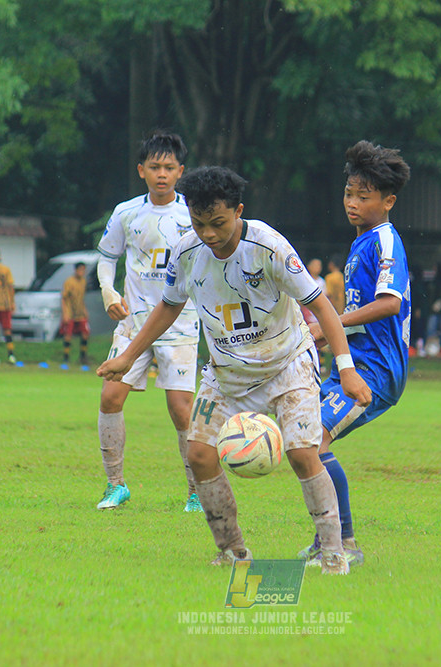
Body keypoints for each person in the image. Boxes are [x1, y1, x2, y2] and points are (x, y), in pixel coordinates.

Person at [97, 165, 371, 574]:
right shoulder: (187, 252)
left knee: (302, 454)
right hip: (226, 374)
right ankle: (233, 551)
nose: (208, 233)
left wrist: (346, 368)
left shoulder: (270, 247)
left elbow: (321, 306)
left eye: (218, 223)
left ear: (238, 210)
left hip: (287, 364)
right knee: (200, 455)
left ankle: (333, 553)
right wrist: (128, 356)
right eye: (199, 222)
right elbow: (168, 307)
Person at [297, 140, 411, 568]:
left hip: (376, 368)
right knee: (308, 441)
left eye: (364, 196)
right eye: (349, 193)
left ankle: (343, 543)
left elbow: (390, 302)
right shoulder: (362, 242)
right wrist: (325, 336)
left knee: (314, 440)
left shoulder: (385, 242)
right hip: (357, 359)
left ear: (388, 201)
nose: (353, 203)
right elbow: (360, 313)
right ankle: (328, 537)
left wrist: (331, 324)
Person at [95, 132, 201, 512]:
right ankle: (115, 485)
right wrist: (108, 290)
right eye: (154, 167)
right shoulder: (126, 213)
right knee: (110, 397)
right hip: (134, 321)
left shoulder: (193, 212)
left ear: (180, 172)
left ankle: (196, 491)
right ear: (141, 171)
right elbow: (107, 257)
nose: (162, 174)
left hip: (181, 323)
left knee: (181, 408)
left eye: (169, 167)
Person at [60, 262, 90, 367]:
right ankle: (66, 358)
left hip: (80, 312)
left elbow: (82, 298)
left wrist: (85, 310)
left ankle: (83, 357)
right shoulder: (69, 282)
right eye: (80, 269)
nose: (82, 272)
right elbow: (64, 298)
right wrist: (65, 313)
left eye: (83, 270)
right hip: (70, 312)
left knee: (85, 334)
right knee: (68, 335)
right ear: (76, 270)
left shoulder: (83, 282)